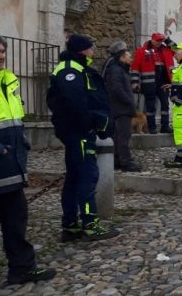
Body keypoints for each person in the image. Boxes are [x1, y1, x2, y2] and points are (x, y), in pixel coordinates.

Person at [0, 34, 57, 284]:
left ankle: (22, 268)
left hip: (11, 165)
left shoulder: (9, 80)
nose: (0, 55)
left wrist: (21, 141)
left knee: (16, 217)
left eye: (2, 51)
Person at [47, 34, 119, 241]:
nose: (93, 50)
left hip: (76, 129)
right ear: (82, 50)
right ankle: (89, 223)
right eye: (91, 47)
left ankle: (70, 224)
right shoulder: (70, 70)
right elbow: (75, 102)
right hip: (77, 131)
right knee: (87, 175)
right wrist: (91, 122)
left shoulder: (77, 68)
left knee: (75, 176)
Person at [103, 41, 141, 172]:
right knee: (123, 136)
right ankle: (126, 162)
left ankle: (118, 160)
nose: (131, 58)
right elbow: (117, 89)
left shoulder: (120, 70)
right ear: (122, 57)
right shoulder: (116, 70)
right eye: (129, 56)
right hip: (121, 108)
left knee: (120, 135)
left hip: (121, 107)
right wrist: (129, 101)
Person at [129, 33, 174, 134]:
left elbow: (177, 49)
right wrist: (135, 83)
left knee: (165, 105)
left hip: (163, 82)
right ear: (152, 40)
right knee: (150, 106)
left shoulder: (166, 50)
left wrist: (167, 40)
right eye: (157, 40)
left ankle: (165, 126)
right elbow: (135, 68)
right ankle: (151, 127)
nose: (159, 42)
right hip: (149, 83)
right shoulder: (142, 51)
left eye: (161, 40)